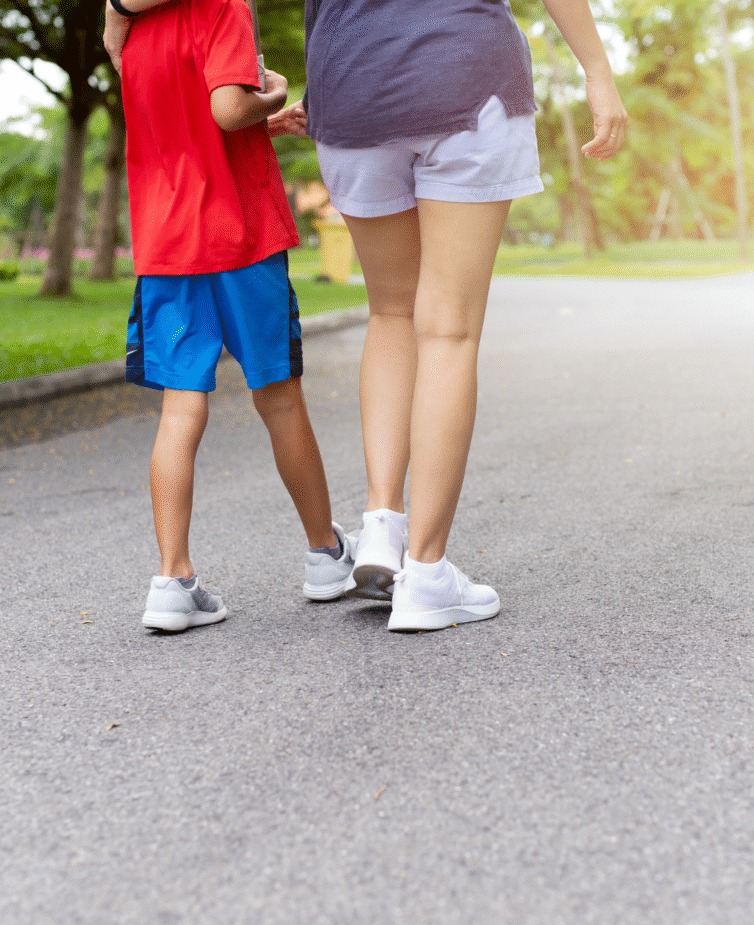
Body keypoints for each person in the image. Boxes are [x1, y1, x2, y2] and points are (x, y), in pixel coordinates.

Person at [105, 0, 627, 633]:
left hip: (342, 99)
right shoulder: (221, 12)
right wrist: (598, 75)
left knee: (389, 314)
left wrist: (115, 10)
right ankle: (417, 571)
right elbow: (225, 105)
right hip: (461, 78)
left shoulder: (159, 30)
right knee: (447, 330)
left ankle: (375, 523)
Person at [111, 0, 355, 631]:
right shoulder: (223, 6)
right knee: (279, 395)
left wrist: (260, 125)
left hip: (167, 241)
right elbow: (226, 109)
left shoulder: (130, 25)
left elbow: (181, 120)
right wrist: (271, 96)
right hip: (240, 235)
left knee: (179, 406)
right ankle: (325, 555)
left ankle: (172, 580)